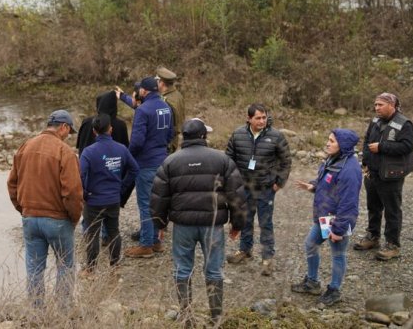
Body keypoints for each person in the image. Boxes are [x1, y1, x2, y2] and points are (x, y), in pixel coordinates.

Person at [151, 118, 246, 325]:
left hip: (183, 226)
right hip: (212, 226)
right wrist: (237, 224)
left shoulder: (170, 161)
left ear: (184, 137)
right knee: (213, 270)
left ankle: (187, 317)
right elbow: (236, 194)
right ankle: (216, 318)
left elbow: (159, 197)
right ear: (204, 136)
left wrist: (160, 225)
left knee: (182, 269)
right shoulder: (221, 160)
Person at [7, 109, 84, 308]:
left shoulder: (25, 146)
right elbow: (73, 192)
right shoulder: (65, 152)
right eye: (69, 131)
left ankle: (36, 312)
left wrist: (23, 209)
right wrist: (74, 218)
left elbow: (12, 184)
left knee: (34, 268)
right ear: (64, 127)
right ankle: (63, 311)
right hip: (58, 220)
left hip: (30, 218)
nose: (69, 136)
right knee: (65, 266)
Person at [291, 129, 363, 306]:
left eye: (332, 140)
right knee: (310, 244)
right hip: (324, 217)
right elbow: (327, 182)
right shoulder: (333, 159)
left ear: (343, 145)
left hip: (337, 220)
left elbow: (349, 203)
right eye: (328, 139)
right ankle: (313, 283)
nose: (327, 143)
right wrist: (313, 186)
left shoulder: (350, 169)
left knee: (338, 254)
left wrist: (338, 229)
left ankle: (334, 290)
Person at [225, 103, 292, 276]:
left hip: (265, 188)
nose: (262, 121)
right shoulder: (238, 134)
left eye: (264, 117)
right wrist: (232, 182)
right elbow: (229, 159)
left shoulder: (276, 136)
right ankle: (245, 250)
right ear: (249, 119)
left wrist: (279, 182)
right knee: (245, 220)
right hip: (244, 187)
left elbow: (285, 161)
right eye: (258, 118)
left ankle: (267, 258)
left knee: (265, 223)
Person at [354, 93, 413, 261]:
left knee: (392, 210)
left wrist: (382, 147)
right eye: (375, 105)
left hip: (391, 175)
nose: (377, 108)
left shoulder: (405, 124)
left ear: (392, 105)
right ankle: (373, 237)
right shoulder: (375, 121)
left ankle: (392, 245)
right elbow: (367, 141)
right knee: (373, 207)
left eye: (380, 105)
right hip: (372, 173)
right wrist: (365, 163)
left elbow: (407, 146)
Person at [79, 114, 139, 276]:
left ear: (94, 131)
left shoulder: (88, 152)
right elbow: (134, 169)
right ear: (110, 130)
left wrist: (84, 193)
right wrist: (122, 187)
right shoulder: (121, 149)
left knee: (92, 234)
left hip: (93, 200)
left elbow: (81, 174)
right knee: (113, 231)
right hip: (113, 198)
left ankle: (90, 269)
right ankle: (115, 265)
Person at [122, 76, 173, 258]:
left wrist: (128, 156)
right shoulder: (166, 107)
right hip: (162, 160)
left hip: (146, 163)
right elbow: (170, 135)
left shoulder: (142, 111)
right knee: (158, 202)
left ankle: (146, 245)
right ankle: (156, 241)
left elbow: (136, 141)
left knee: (145, 203)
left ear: (143, 91)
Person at [76, 90, 129, 155]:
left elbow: (80, 146)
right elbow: (125, 150)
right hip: (112, 163)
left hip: (87, 161)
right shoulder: (120, 125)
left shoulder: (86, 122)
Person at [156, 66, 185, 154]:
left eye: (157, 80)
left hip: (166, 143)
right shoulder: (177, 95)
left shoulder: (166, 101)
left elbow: (164, 125)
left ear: (162, 83)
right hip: (173, 141)